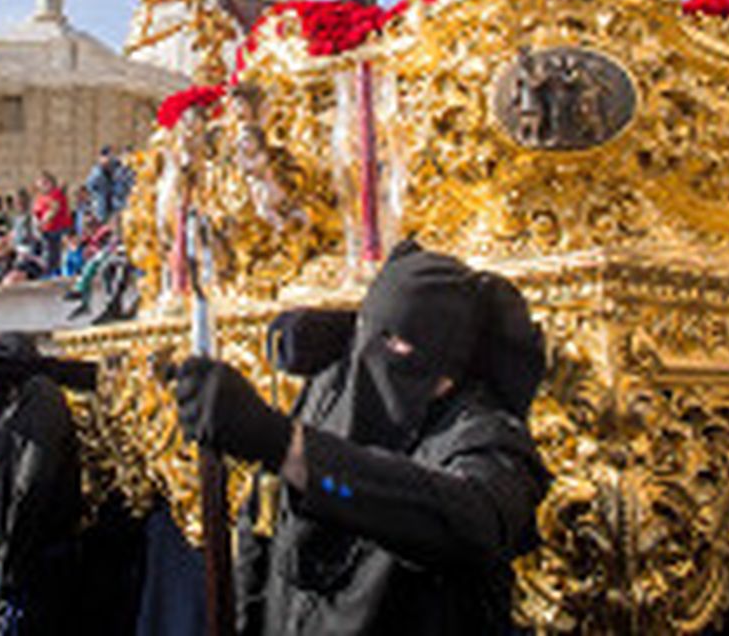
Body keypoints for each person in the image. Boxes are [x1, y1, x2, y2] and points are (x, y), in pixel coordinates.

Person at [175, 240, 549, 635]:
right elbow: (264, 528)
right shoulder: (332, 392)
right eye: (368, 329)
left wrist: (285, 445)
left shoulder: (486, 434)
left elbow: (468, 521)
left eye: (395, 342)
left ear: (447, 365)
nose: (372, 354)